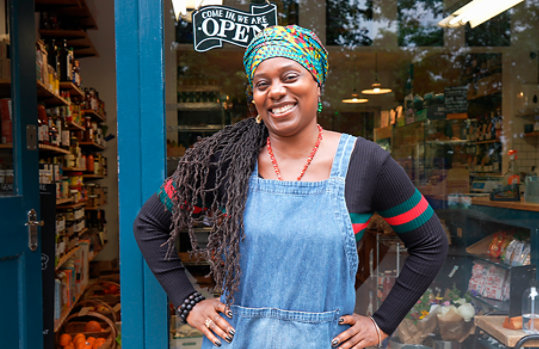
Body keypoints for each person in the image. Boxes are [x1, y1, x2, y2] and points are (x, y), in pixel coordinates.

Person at [134, 24, 448, 348]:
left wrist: (382, 324)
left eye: (290, 76)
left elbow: (430, 243)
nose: (275, 91)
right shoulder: (225, 162)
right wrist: (188, 303)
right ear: (254, 97)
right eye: (262, 83)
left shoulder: (366, 163)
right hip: (235, 340)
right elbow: (149, 224)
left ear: (317, 83)